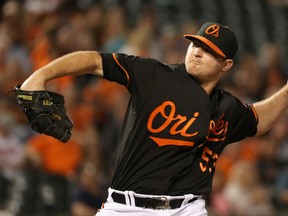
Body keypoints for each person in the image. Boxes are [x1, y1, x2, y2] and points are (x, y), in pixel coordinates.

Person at [18, 22, 288, 216]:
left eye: (209, 51)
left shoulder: (226, 107)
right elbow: (93, 61)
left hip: (187, 208)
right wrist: (39, 76)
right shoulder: (154, 75)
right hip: (126, 207)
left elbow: (257, 120)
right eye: (196, 44)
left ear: (226, 64)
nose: (196, 51)